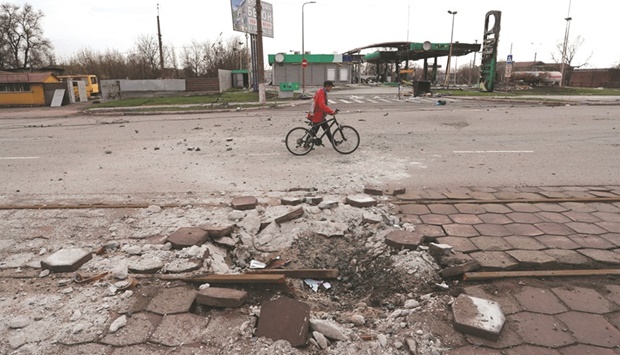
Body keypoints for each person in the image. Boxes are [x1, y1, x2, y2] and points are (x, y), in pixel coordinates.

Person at [307, 80, 339, 145]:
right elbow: (322, 105)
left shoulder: (322, 91)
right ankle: (306, 144)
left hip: (320, 115)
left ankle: (334, 143)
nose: (331, 88)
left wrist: (330, 112)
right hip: (317, 115)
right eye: (331, 87)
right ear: (327, 86)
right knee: (314, 131)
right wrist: (331, 112)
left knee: (327, 130)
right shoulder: (321, 93)